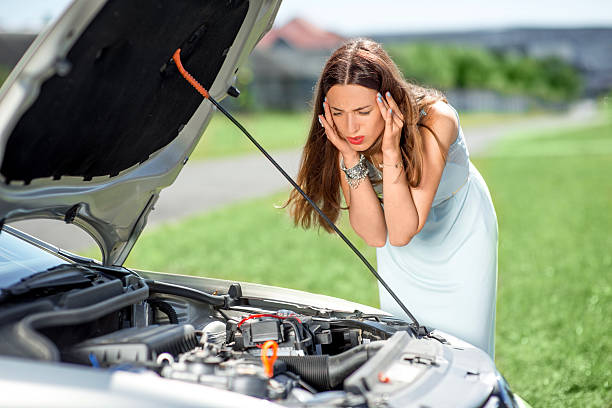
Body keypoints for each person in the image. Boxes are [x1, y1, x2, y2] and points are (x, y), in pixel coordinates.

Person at [286, 38, 498, 359]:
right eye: (339, 113)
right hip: (402, 234)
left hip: (460, 233)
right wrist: (349, 155)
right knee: (405, 347)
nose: (350, 126)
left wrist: (389, 149)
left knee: (464, 349)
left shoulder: (436, 120)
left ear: (388, 101)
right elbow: (377, 235)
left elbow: (401, 232)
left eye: (363, 111)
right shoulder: (346, 138)